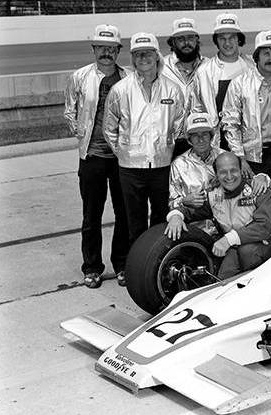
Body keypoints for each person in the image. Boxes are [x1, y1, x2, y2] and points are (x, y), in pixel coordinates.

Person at [103, 32, 185, 258]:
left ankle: (158, 261)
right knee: (134, 221)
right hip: (130, 168)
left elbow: (179, 122)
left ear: (157, 56)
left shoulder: (172, 89)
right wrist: (124, 152)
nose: (143, 58)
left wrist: (166, 145)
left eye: (148, 53)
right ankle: (134, 265)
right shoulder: (121, 89)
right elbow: (109, 128)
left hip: (162, 165)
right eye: (138, 54)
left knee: (161, 218)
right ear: (132, 58)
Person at [64, 24, 130, 288]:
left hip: (121, 158)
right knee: (91, 214)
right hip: (91, 157)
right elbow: (70, 111)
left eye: (111, 48)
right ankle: (92, 267)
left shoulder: (128, 78)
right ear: (93, 49)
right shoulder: (79, 77)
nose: (106, 52)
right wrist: (84, 135)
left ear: (118, 51)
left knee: (123, 213)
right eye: (101, 47)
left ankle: (122, 263)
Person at [221, 30, 271, 223]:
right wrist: (240, 159)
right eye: (266, 53)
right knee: (253, 209)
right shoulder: (240, 83)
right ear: (256, 56)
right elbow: (230, 124)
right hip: (251, 156)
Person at [165, 152, 271, 280]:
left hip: (266, 243)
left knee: (247, 252)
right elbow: (193, 210)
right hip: (234, 247)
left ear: (241, 170)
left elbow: (263, 227)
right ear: (216, 174)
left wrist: (227, 239)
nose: (229, 176)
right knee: (221, 282)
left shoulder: (258, 189)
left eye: (234, 170)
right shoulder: (213, 193)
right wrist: (177, 215)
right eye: (223, 172)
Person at [191, 13, 254, 149]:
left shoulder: (251, 66)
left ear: (239, 39)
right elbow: (197, 110)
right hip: (219, 144)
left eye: (232, 37)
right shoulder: (204, 72)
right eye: (222, 38)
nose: (227, 43)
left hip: (250, 143)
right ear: (216, 40)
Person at [163, 18, 206, 158]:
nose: (186, 43)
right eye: (181, 39)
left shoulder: (209, 67)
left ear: (197, 40)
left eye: (190, 38)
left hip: (201, 139)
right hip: (168, 142)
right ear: (173, 42)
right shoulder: (161, 67)